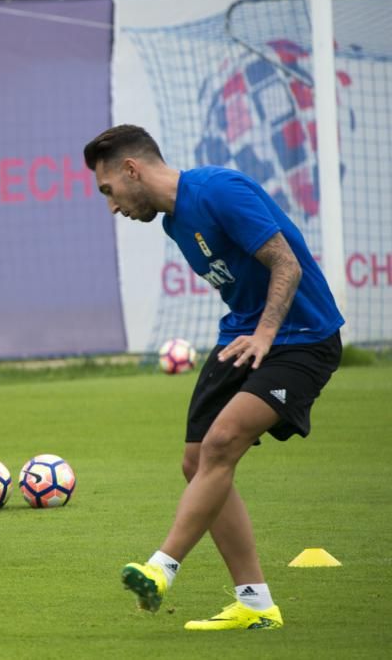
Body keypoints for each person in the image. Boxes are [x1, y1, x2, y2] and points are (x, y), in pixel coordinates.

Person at [83, 125, 344, 631]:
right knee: (196, 459)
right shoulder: (173, 224)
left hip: (303, 337)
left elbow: (285, 264)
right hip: (243, 338)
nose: (112, 206)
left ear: (132, 170)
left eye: (108, 190)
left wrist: (267, 335)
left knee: (223, 442)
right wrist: (254, 335)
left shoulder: (219, 189)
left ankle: (160, 570)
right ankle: (255, 603)